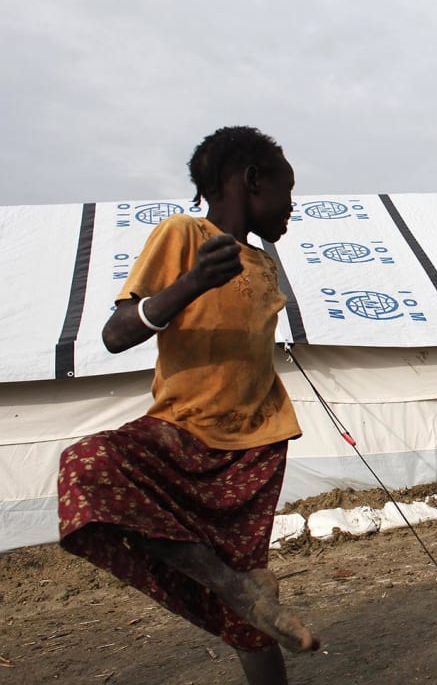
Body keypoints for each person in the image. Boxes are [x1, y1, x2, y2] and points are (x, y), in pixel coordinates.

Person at [57, 126, 318, 685]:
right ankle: (235, 587)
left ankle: (244, 595)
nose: (292, 206)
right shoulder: (183, 234)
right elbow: (115, 334)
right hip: (183, 433)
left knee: (252, 621)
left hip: (256, 447)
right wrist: (194, 281)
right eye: (287, 190)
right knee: (88, 465)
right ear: (252, 181)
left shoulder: (265, 262)